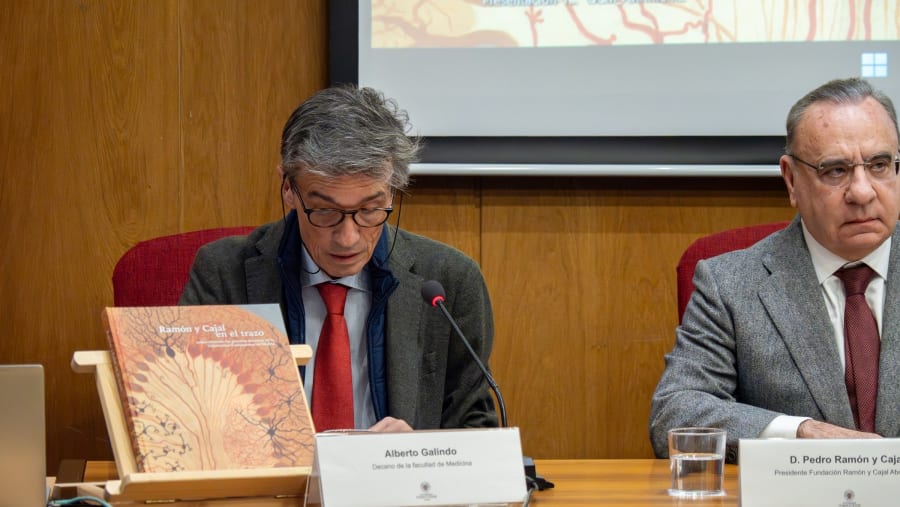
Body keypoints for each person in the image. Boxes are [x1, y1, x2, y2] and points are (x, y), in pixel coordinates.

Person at [180, 85, 497, 432]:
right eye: (325, 210)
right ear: (288, 188)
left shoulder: (449, 282)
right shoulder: (223, 273)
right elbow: (191, 413)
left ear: (392, 190)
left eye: (370, 209)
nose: (348, 238)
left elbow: (474, 428)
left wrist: (417, 454)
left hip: (396, 486)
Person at [649, 77, 900, 463]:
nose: (863, 192)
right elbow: (676, 412)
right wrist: (797, 433)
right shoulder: (730, 285)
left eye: (880, 165)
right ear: (791, 180)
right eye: (835, 171)